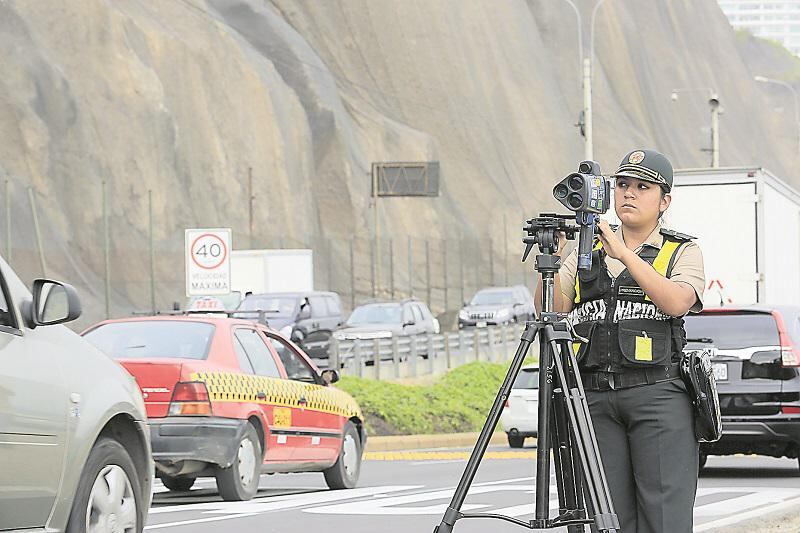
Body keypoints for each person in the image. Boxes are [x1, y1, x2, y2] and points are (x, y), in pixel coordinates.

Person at [534, 149, 706, 533]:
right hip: (593, 396)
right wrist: (556, 257)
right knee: (605, 516)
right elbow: (551, 309)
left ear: (665, 201)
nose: (629, 193)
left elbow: (677, 301)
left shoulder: (681, 250)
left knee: (664, 516)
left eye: (642, 187)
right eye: (623, 184)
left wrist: (625, 255)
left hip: (658, 394)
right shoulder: (587, 248)